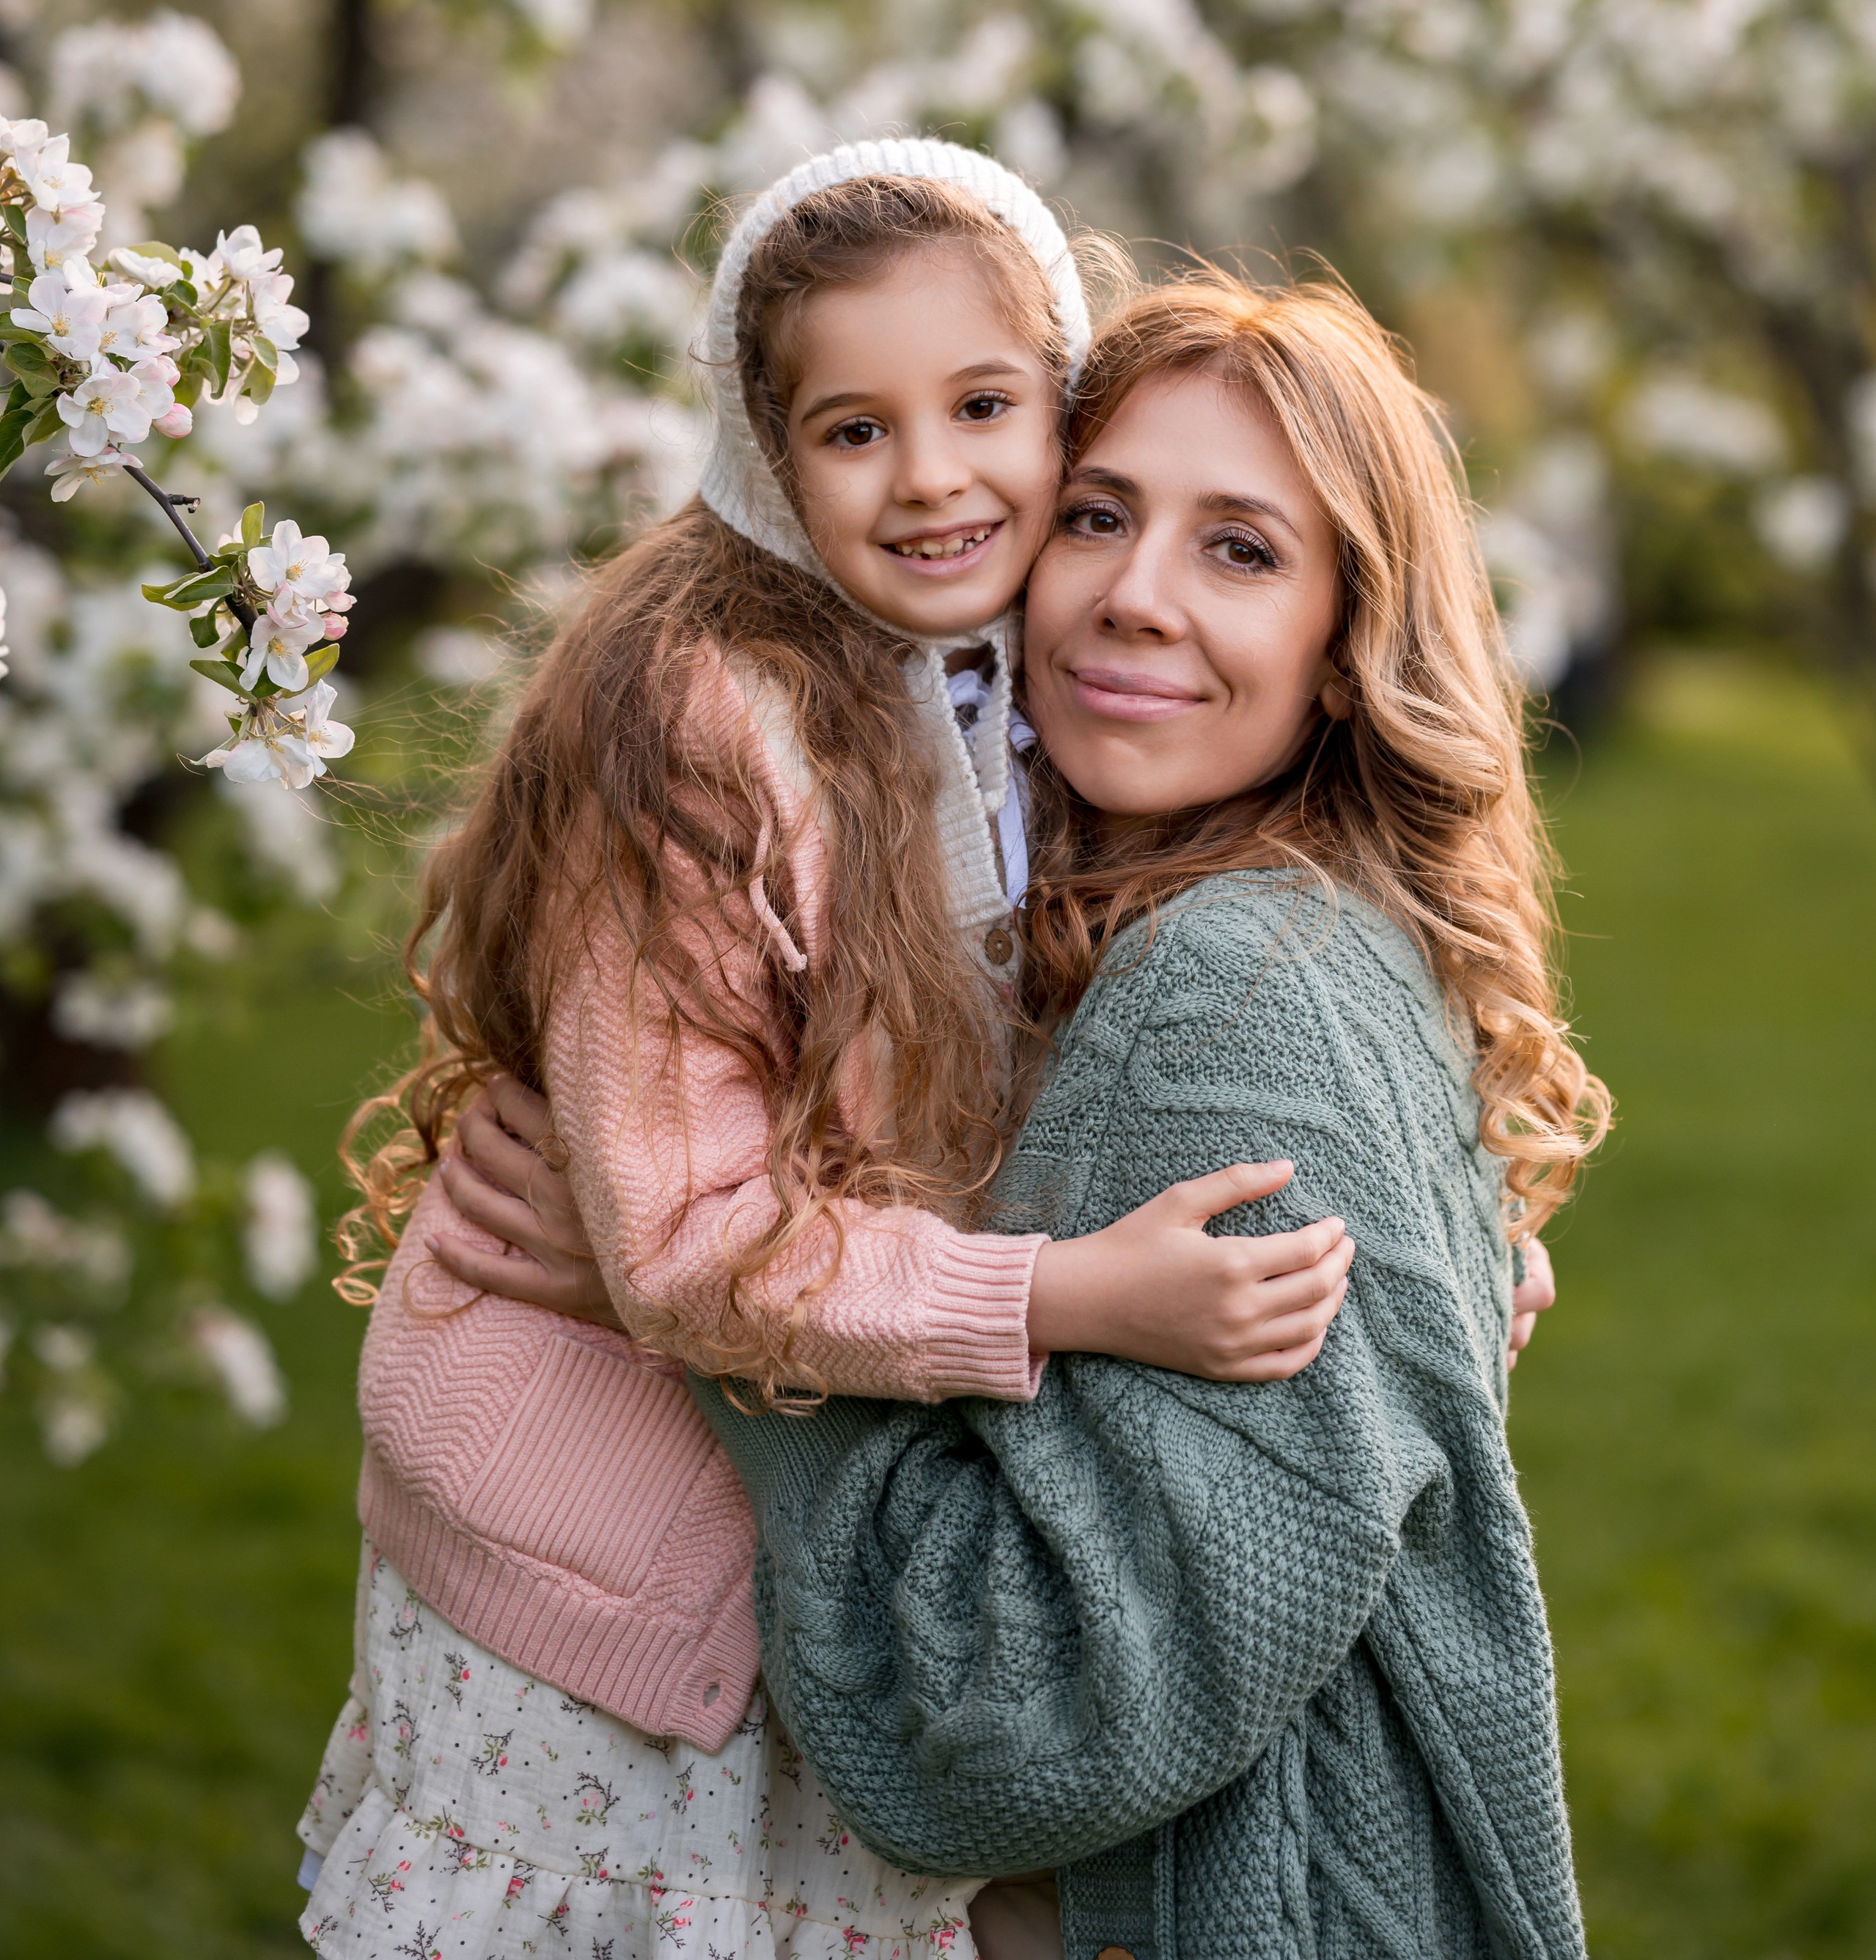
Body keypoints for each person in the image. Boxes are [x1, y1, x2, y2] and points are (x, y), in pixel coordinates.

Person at [299, 148, 1354, 1960]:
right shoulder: (709, 726)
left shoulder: (1035, 678)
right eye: (853, 429)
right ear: (761, 456)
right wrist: (1068, 1298)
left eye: (984, 407)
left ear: (1058, 407)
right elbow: (691, 1244)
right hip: (607, 1580)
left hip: (817, 1503)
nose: (935, 474)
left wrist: (1424, 1210)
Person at [670, 272, 1611, 1960]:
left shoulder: (1228, 991)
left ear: (1345, 650)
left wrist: (687, 1277)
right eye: (1097, 515)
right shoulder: (1262, 932)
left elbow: (1011, 1723)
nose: (1132, 599)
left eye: (1239, 549)